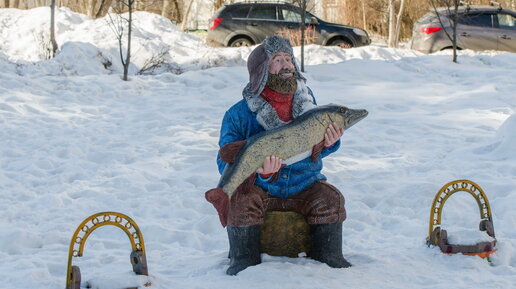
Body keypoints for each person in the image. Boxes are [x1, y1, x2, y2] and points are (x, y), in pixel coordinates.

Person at [215, 36, 350, 275]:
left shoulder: (308, 104)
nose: (287, 65)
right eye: (277, 59)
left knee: (330, 199)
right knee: (240, 202)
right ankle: (243, 262)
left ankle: (330, 261)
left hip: (304, 184)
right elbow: (224, 161)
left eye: (289, 58)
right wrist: (261, 173)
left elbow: (312, 149)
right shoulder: (238, 113)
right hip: (260, 189)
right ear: (261, 70)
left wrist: (330, 143)